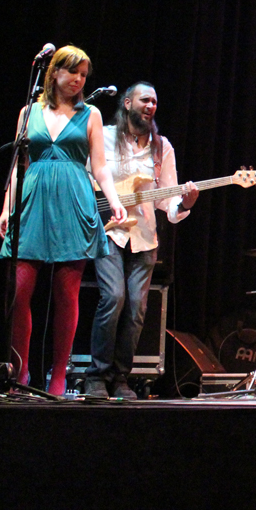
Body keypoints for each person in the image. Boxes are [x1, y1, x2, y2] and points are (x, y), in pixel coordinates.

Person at [0, 45, 127, 397]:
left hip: (73, 203)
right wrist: (7, 208)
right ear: (54, 72)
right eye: (73, 73)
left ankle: (58, 376)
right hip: (34, 201)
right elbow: (18, 167)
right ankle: (19, 372)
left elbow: (100, 166)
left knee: (67, 294)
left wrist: (114, 203)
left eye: (84, 75)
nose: (79, 80)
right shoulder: (29, 111)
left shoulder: (92, 115)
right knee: (20, 290)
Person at [84, 82, 197, 400]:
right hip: (107, 230)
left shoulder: (162, 148)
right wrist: (99, 204)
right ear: (127, 103)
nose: (151, 106)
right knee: (114, 298)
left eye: (155, 102)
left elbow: (169, 205)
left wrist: (185, 203)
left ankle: (120, 378)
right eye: (145, 100)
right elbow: (85, 178)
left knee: (136, 309)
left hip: (145, 238)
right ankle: (96, 376)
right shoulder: (103, 137)